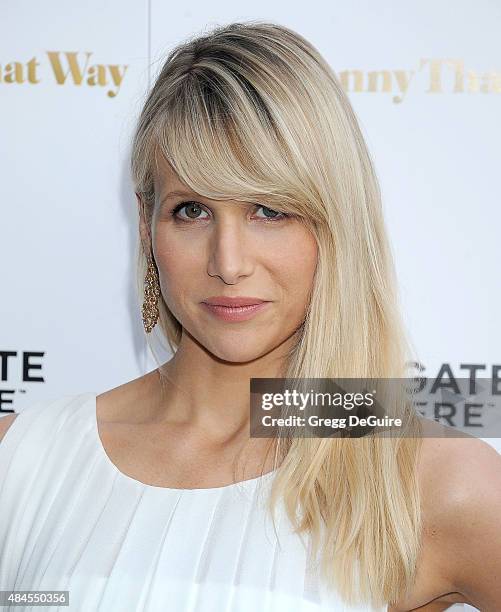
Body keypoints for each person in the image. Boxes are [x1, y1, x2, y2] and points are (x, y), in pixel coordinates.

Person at [1, 19, 501, 612]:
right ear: (146, 223)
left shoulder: (434, 481)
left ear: (334, 221)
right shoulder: (22, 458)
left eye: (268, 209)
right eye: (191, 211)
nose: (228, 262)